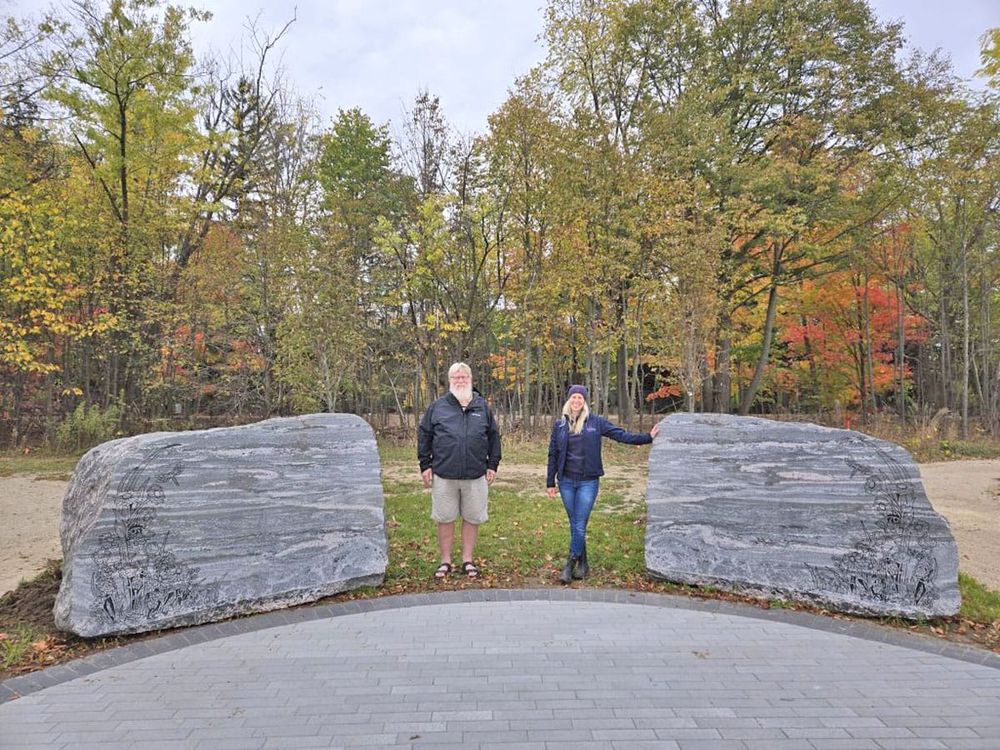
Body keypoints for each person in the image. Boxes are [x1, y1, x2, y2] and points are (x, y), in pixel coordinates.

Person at [546, 384, 659, 584]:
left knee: (579, 523)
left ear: (585, 401)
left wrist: (647, 437)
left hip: (588, 482)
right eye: (573, 398)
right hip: (565, 481)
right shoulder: (560, 425)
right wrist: (550, 482)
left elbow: (621, 435)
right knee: (575, 524)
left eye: (580, 398)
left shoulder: (595, 422)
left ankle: (569, 565)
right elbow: (553, 454)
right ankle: (584, 564)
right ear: (569, 400)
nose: (576, 401)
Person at [418, 362, 501, 579]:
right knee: (445, 518)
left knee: (472, 517)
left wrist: (492, 464)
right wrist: (425, 465)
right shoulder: (438, 407)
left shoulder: (482, 407)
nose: (460, 380)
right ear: (450, 381)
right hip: (444, 473)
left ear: (471, 380)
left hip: (475, 474)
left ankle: (467, 560)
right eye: (456, 377)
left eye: (464, 377)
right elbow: (424, 435)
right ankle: (445, 561)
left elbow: (494, 437)